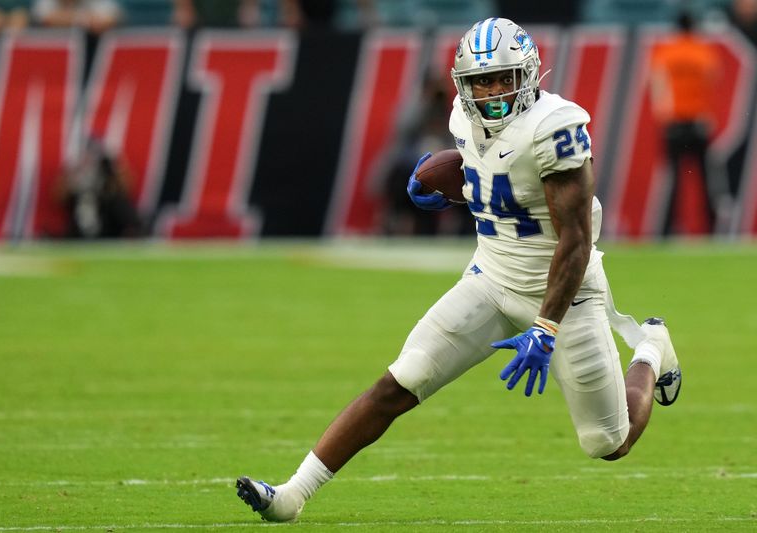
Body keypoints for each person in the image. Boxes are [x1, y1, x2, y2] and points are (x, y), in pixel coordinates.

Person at [235, 17, 682, 522]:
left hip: (565, 293)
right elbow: (488, 166)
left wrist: (545, 326)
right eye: (480, 81)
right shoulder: (461, 117)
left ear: (530, 74)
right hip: (490, 280)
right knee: (400, 381)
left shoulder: (557, 129)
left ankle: (650, 346)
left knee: (608, 442)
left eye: (503, 78)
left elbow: (576, 242)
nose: (491, 91)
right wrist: (448, 180)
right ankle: (293, 495)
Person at [649, 11, 721, 235]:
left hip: (674, 122)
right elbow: (713, 78)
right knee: (706, 178)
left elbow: (657, 86)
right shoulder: (704, 51)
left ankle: (668, 229)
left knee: (674, 178)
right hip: (698, 120)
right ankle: (712, 229)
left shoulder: (665, 52)